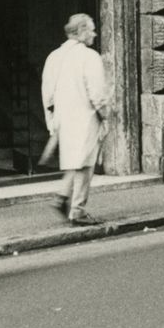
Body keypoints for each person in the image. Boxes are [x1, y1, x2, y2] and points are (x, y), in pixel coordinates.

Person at [43, 12, 110, 226]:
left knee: (75, 161)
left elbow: (47, 92)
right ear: (80, 32)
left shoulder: (54, 56)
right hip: (86, 117)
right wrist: (106, 116)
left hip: (63, 118)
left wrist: (51, 121)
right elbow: (97, 94)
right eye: (91, 29)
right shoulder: (90, 57)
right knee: (85, 164)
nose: (95, 34)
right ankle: (77, 210)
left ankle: (62, 197)